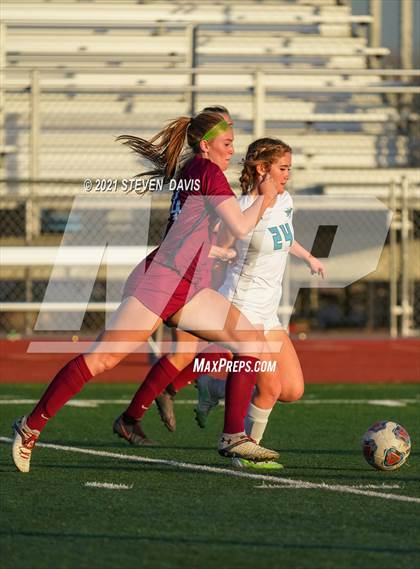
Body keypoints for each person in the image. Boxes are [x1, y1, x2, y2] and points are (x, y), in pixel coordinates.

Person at [11, 111, 282, 473]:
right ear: (205, 145)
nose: (232, 151)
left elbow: (190, 225)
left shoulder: (196, 170)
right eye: (227, 143)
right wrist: (265, 198)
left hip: (188, 285)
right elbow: (240, 226)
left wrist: (210, 249)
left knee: (251, 341)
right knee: (103, 359)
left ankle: (233, 435)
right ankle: (31, 426)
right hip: (160, 282)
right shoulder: (206, 170)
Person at [129, 137, 325, 469]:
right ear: (262, 169)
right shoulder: (242, 207)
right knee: (270, 387)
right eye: (283, 168)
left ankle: (211, 386)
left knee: (292, 390)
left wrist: (307, 256)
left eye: (289, 168)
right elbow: (213, 247)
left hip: (269, 310)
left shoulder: (285, 200)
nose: (287, 175)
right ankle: (246, 452)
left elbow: (284, 236)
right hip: (242, 304)